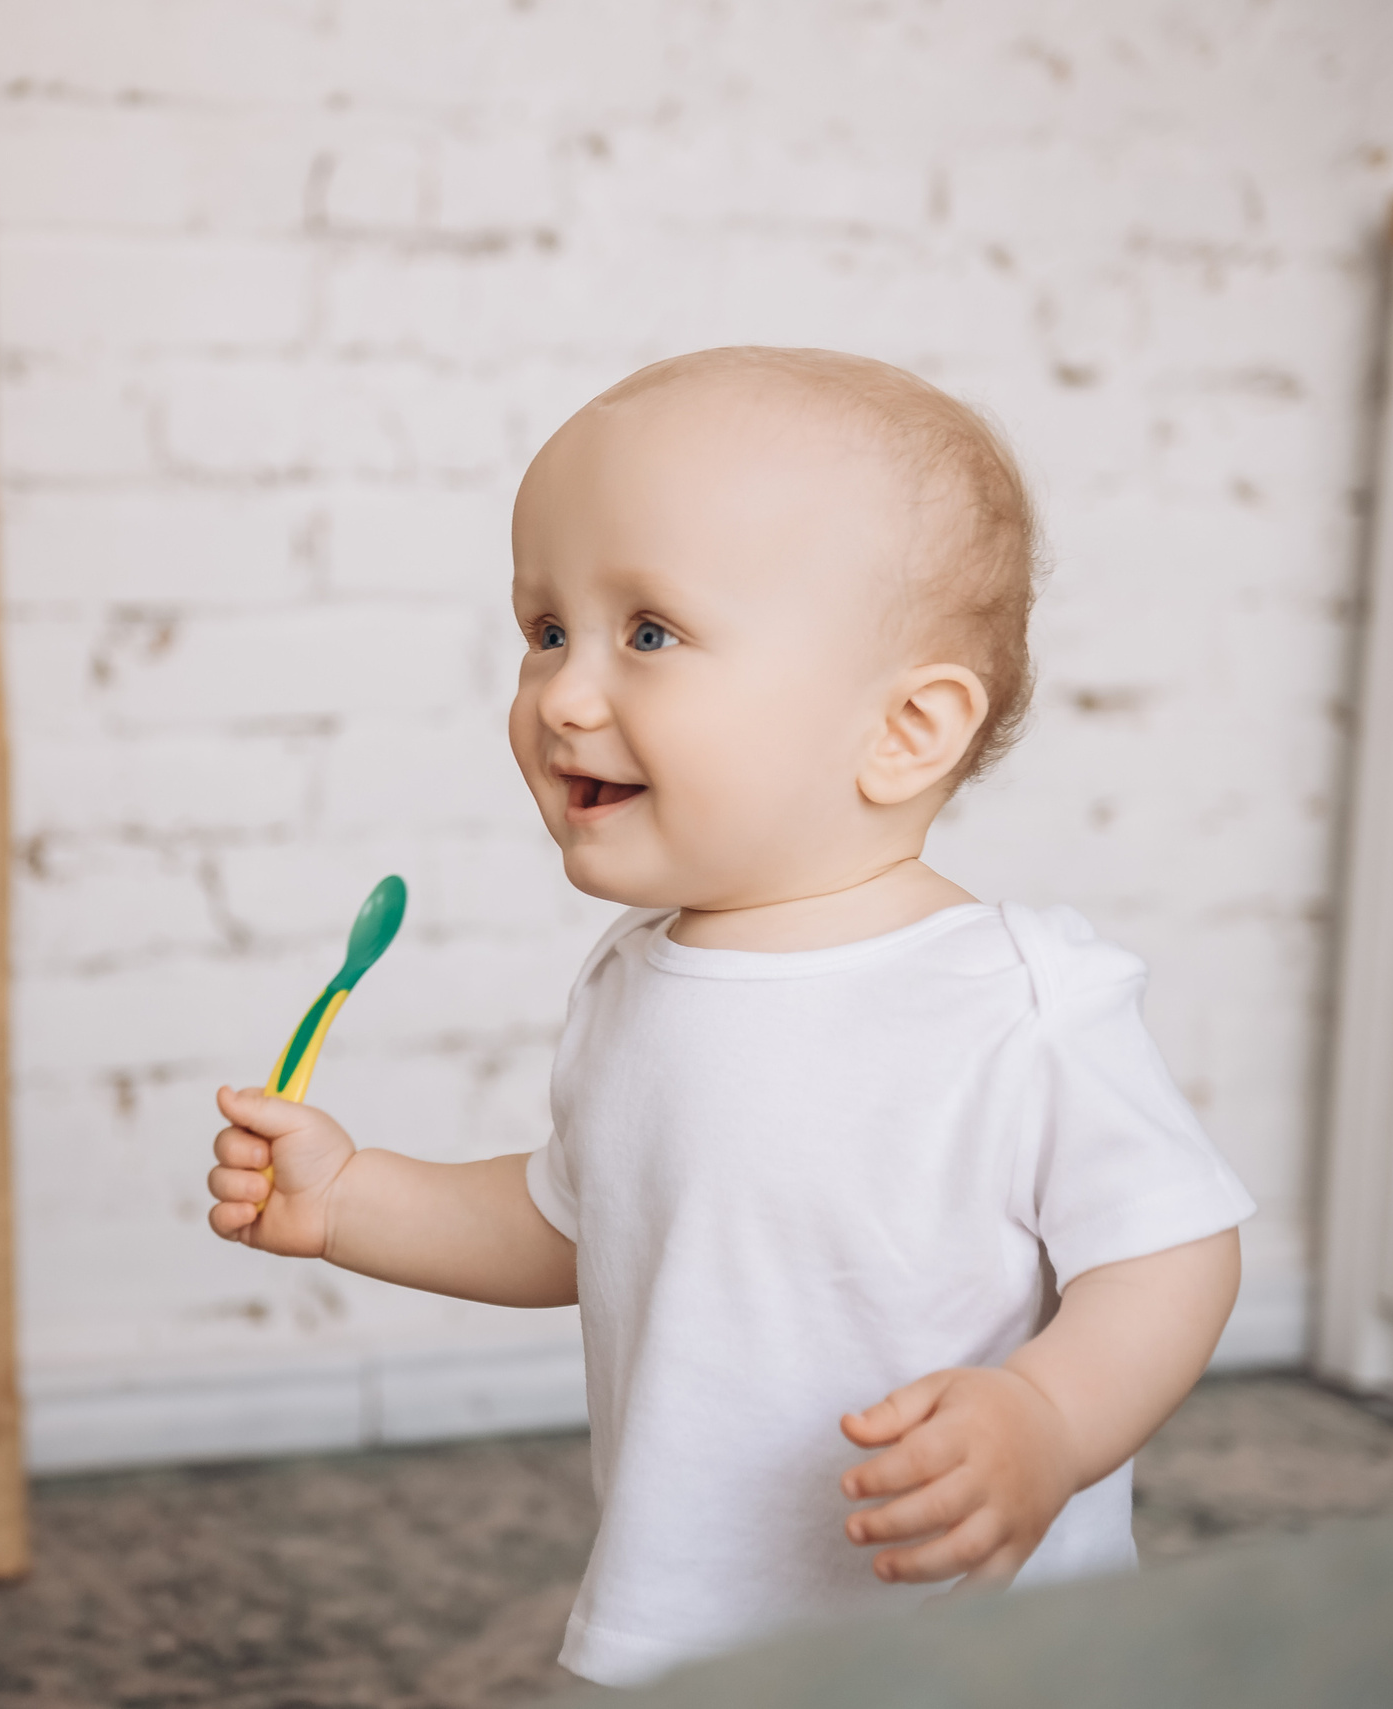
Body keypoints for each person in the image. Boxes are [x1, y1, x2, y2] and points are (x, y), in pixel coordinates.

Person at [203, 347, 1256, 1688]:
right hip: (678, 1617)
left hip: (968, 1643)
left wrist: (1047, 1416)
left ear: (906, 729)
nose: (563, 695)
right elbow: (577, 1220)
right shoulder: (631, 979)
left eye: (648, 633)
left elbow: (1174, 1251)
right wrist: (352, 1197)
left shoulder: (1019, 999)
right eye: (544, 631)